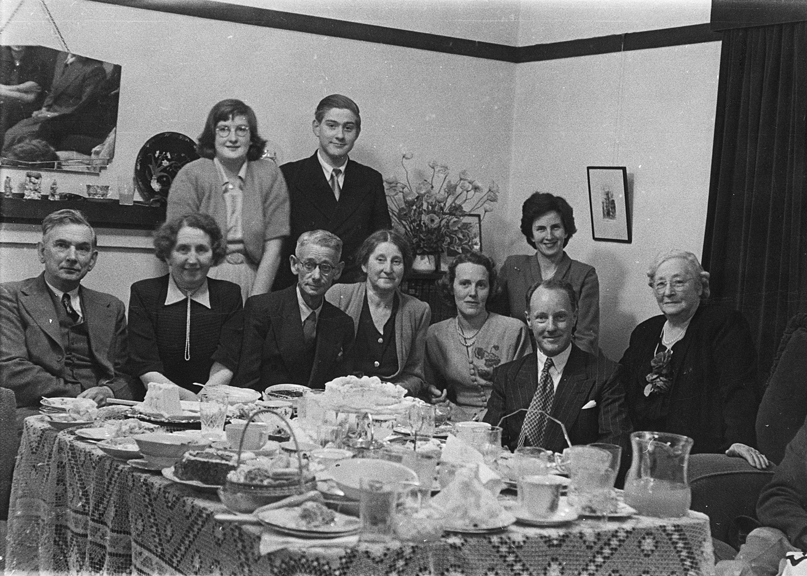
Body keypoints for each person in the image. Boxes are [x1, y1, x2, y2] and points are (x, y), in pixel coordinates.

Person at [619, 250, 766, 468]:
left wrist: (739, 440)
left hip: (694, 455)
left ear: (699, 286)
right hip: (643, 455)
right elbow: (619, 386)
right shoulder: (645, 332)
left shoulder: (723, 325)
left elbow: (738, 388)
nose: (668, 292)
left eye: (678, 282)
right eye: (660, 284)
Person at [0, 209, 133, 419]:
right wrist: (79, 397)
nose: (72, 257)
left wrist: (110, 392)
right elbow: (10, 369)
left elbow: (127, 373)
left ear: (92, 260)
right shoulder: (10, 296)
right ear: (42, 252)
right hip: (38, 412)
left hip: (103, 413)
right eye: (61, 246)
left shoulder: (111, 306)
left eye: (82, 249)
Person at [484, 278, 631, 455]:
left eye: (560, 317)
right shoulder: (507, 375)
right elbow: (489, 442)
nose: (551, 327)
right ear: (529, 320)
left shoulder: (606, 375)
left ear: (574, 317)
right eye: (541, 318)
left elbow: (614, 448)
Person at [168, 99, 290, 300]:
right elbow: (175, 243)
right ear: (212, 135)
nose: (233, 138)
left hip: (256, 277)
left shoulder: (268, 174)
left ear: (251, 137)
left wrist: (257, 300)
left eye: (241, 130)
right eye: (223, 129)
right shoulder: (191, 174)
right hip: (203, 277)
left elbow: (273, 249)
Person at [274, 94, 391, 290]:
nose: (340, 135)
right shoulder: (289, 176)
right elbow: (277, 247)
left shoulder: (370, 180)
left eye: (348, 128)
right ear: (316, 127)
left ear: (357, 132)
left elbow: (380, 242)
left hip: (352, 289)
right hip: (300, 289)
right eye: (331, 125)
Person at [127, 214, 243, 398]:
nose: (192, 259)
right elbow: (144, 364)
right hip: (157, 401)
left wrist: (205, 399)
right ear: (167, 255)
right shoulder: (144, 293)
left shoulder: (229, 295)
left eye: (201, 250)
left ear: (213, 256)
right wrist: (188, 399)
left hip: (212, 402)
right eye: (183, 249)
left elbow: (227, 360)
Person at [233, 230, 354, 390]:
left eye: (325, 267)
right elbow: (247, 381)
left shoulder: (342, 323)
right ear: (294, 265)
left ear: (337, 271)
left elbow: (341, 387)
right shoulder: (262, 309)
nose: (316, 276)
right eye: (309, 265)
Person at [424, 251, 531, 422]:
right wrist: (436, 396)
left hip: (503, 423)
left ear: (490, 289)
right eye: (465, 284)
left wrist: (470, 418)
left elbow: (522, 396)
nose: (473, 293)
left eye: (481, 285)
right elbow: (431, 388)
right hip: (452, 421)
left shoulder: (513, 331)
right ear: (451, 287)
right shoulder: (435, 334)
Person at [491, 192, 599, 355]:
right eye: (541, 229)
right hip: (520, 359)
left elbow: (586, 338)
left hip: (569, 363)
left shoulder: (584, 275)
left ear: (566, 232)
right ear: (531, 235)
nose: (549, 236)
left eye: (555, 227)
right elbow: (497, 325)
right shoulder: (513, 267)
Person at [326, 229, 430, 396]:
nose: (388, 269)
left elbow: (415, 375)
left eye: (396, 262)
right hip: (344, 398)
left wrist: (390, 392)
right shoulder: (339, 296)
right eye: (380, 260)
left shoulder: (418, 310)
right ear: (364, 264)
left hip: (392, 402)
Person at [2, 53, 105, 152]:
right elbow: (54, 89)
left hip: (65, 118)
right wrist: (44, 109)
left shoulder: (95, 68)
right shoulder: (62, 56)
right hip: (48, 112)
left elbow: (85, 105)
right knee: (11, 133)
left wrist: (53, 115)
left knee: (23, 137)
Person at [0, 46, 50, 148]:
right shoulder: (2, 59)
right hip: (7, 103)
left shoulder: (37, 62)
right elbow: (26, 93)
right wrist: (21, 89)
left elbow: (30, 98)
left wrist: (3, 90)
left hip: (24, 107)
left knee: (6, 108)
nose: (18, 44)